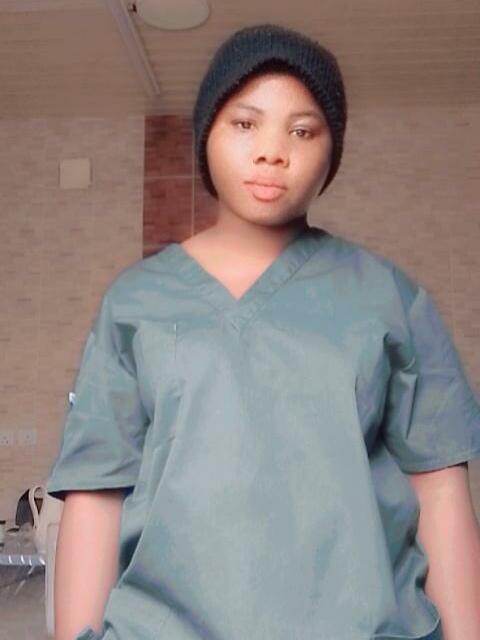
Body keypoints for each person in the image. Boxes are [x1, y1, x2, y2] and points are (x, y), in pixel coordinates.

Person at [46, 23, 480, 640]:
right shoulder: (135, 304)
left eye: (302, 131)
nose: (273, 151)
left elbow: (439, 491)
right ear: (207, 135)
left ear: (331, 152)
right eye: (245, 123)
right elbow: (96, 495)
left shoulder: (389, 299)